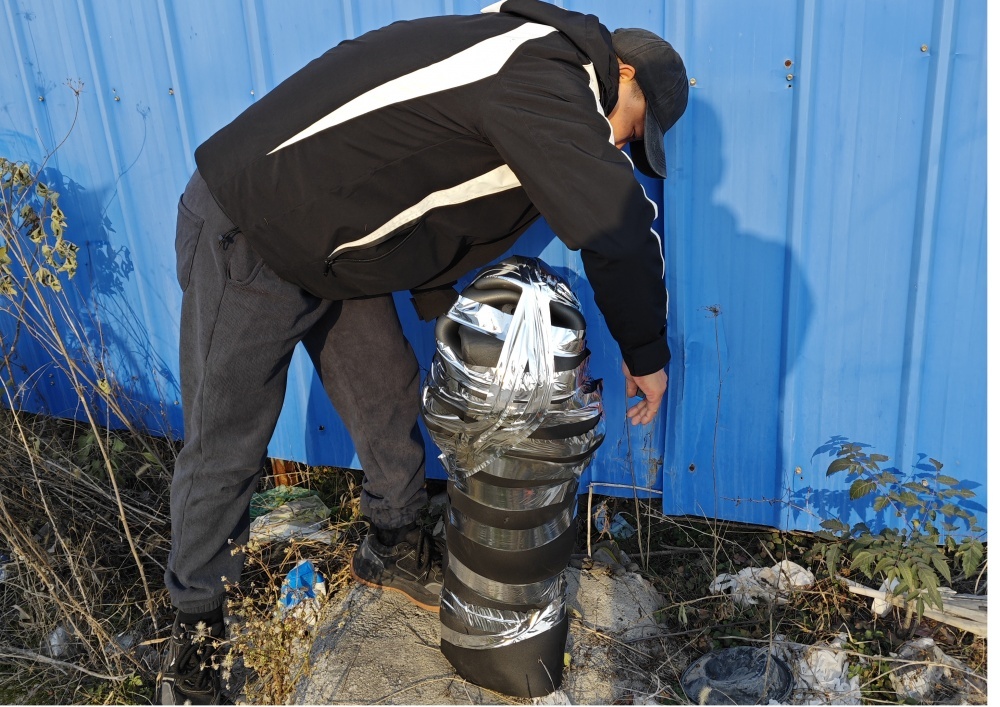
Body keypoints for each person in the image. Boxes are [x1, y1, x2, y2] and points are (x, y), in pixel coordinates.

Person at [156, 0, 688, 702]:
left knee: (387, 390)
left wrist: (445, 316)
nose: (622, 147)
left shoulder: (530, 77)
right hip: (253, 222)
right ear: (622, 74)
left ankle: (394, 543)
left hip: (333, 243)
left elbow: (435, 193)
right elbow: (615, 223)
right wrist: (646, 355)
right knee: (227, 444)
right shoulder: (540, 71)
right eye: (635, 129)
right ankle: (195, 639)